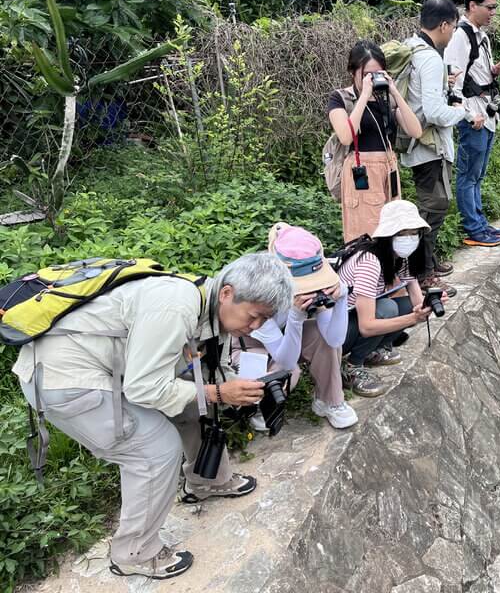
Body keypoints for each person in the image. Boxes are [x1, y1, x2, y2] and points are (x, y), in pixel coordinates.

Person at [11, 253, 294, 580]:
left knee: (194, 400)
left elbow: (210, 373)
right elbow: (144, 388)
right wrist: (218, 392)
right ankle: (134, 552)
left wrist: (241, 390)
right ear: (228, 293)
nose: (255, 326)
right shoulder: (176, 306)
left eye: (264, 320)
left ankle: (209, 480)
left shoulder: (209, 300)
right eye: (255, 316)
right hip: (65, 380)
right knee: (154, 449)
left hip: (102, 373)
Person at [232, 223, 357, 429]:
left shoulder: (315, 284)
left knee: (321, 337)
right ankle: (263, 407)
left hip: (287, 338)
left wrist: (342, 297)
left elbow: (335, 339)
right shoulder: (260, 292)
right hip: (249, 344)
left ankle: (330, 400)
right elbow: (287, 361)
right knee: (288, 372)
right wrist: (296, 317)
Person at [399, 0, 480, 296]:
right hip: (428, 146)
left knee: (431, 207)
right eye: (453, 27)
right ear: (445, 25)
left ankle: (428, 263)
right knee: (433, 209)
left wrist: (445, 85)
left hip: (416, 144)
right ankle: (423, 275)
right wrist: (464, 113)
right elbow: (433, 112)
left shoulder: (412, 47)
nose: (453, 33)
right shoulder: (431, 58)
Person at [338, 200, 447, 397]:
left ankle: (371, 350)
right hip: (336, 333)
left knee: (404, 306)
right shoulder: (369, 261)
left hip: (352, 319)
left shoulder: (400, 258)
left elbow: (414, 299)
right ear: (388, 236)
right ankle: (352, 367)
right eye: (402, 234)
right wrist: (414, 318)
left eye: (414, 233)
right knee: (388, 309)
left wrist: (428, 303)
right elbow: (366, 326)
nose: (409, 239)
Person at [328, 41, 423, 243]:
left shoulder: (386, 99)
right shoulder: (340, 98)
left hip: (388, 167)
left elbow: (416, 131)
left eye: (377, 73)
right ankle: (367, 273)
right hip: (361, 170)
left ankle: (391, 272)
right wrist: (363, 96)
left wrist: (395, 92)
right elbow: (346, 136)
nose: (371, 79)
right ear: (352, 72)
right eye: (365, 75)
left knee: (394, 230)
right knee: (367, 231)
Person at [444, 0, 500, 248]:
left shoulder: (480, 35)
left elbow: (474, 71)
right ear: (473, 6)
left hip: (486, 111)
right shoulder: (460, 37)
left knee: (478, 174)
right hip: (475, 115)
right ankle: (473, 228)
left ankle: (480, 224)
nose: (493, 12)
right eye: (490, 6)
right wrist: (467, 115)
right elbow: (454, 83)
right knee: (469, 174)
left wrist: (493, 70)